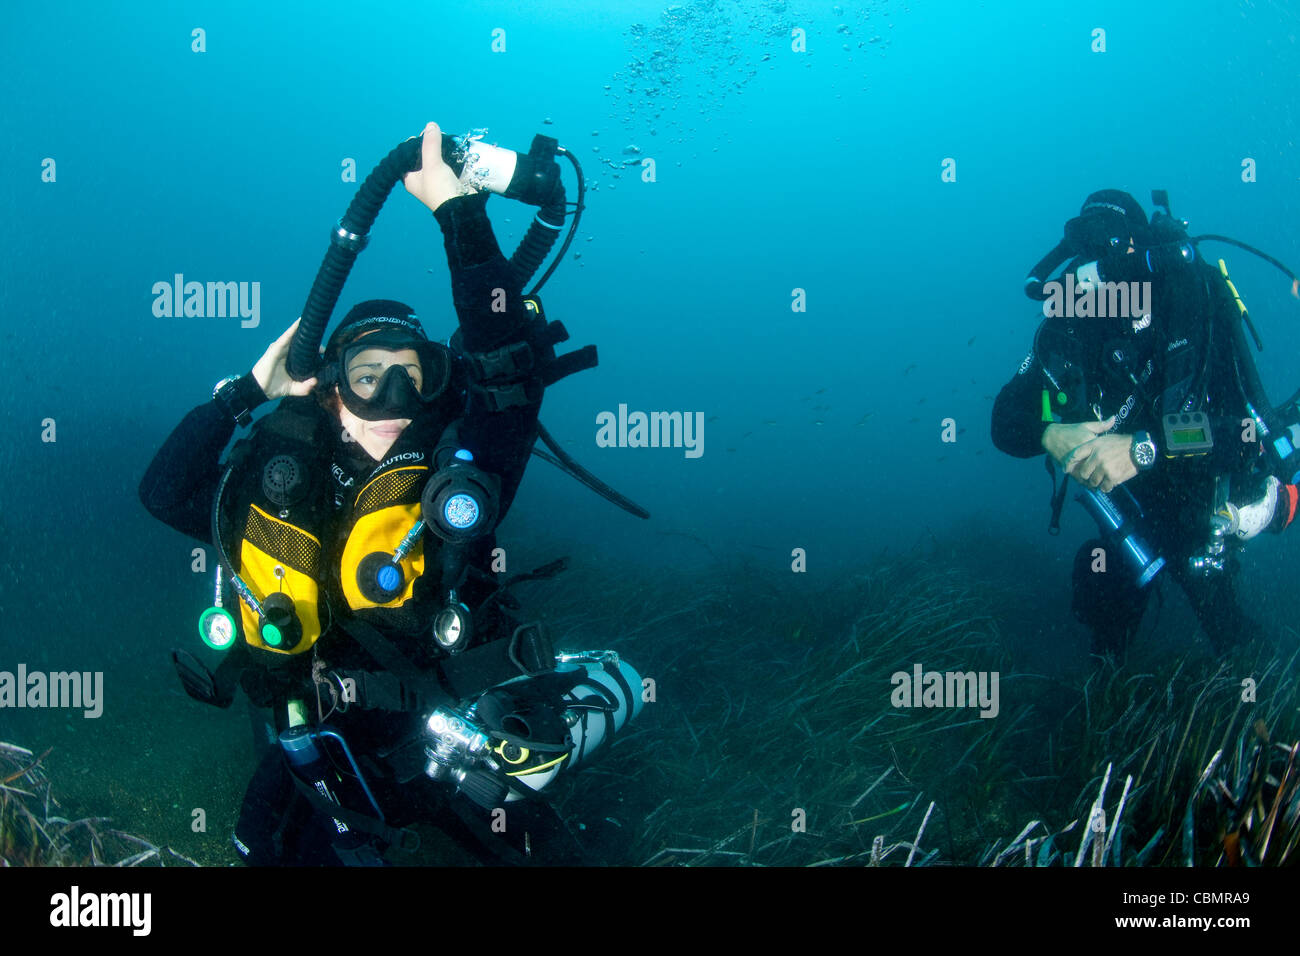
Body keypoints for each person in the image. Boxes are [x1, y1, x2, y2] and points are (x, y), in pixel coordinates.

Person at [140, 123, 608, 865]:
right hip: (311, 743)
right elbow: (163, 494)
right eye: (367, 376)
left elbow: (506, 367)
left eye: (410, 375)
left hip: (441, 733)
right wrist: (245, 393)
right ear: (330, 391)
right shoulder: (279, 478)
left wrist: (460, 213)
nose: (392, 397)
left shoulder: (455, 471)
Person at [992, 189, 1297, 656]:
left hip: (1200, 504)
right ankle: (1109, 686)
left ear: (1144, 244)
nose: (1102, 263)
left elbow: (1245, 434)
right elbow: (1003, 420)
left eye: (1115, 243)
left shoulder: (1192, 302)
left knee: (1231, 633)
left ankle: (1258, 687)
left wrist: (1141, 447)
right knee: (1100, 603)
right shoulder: (1069, 326)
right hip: (1127, 515)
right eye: (1088, 246)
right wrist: (1048, 432)